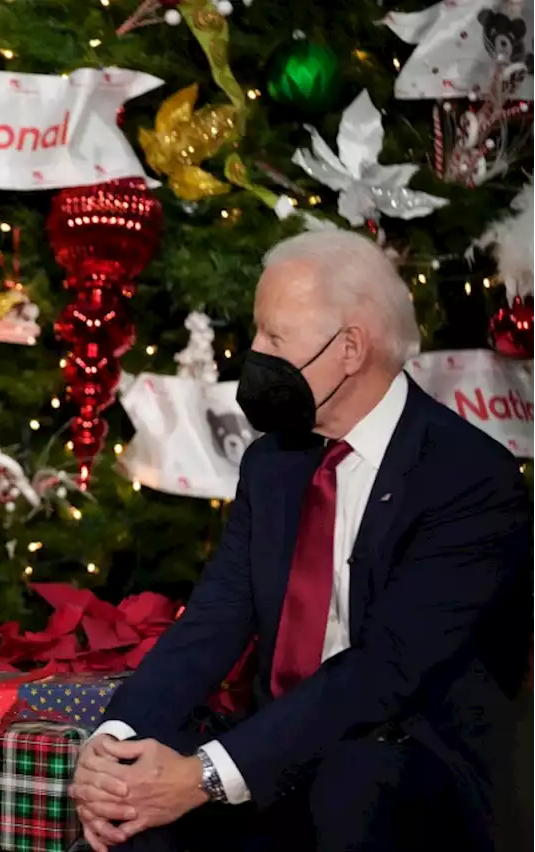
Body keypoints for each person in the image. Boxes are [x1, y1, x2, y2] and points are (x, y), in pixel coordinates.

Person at [70, 231, 531, 852]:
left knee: (354, 777)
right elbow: (210, 623)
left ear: (349, 348)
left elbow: (384, 669)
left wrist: (205, 775)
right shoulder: (274, 465)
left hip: (411, 763)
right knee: (134, 800)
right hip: (277, 753)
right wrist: (114, 744)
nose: (253, 353)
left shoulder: (468, 477)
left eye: (274, 338)